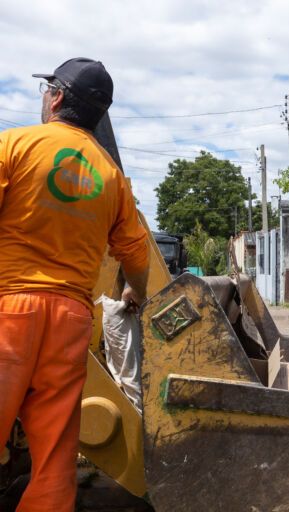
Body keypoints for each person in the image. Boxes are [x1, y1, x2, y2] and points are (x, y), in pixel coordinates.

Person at [0, 58, 149, 511]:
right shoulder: (110, 176)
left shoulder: (15, 144)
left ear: (57, 97)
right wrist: (134, 293)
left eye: (47, 90)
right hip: (69, 320)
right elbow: (136, 257)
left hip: (9, 310)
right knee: (55, 455)